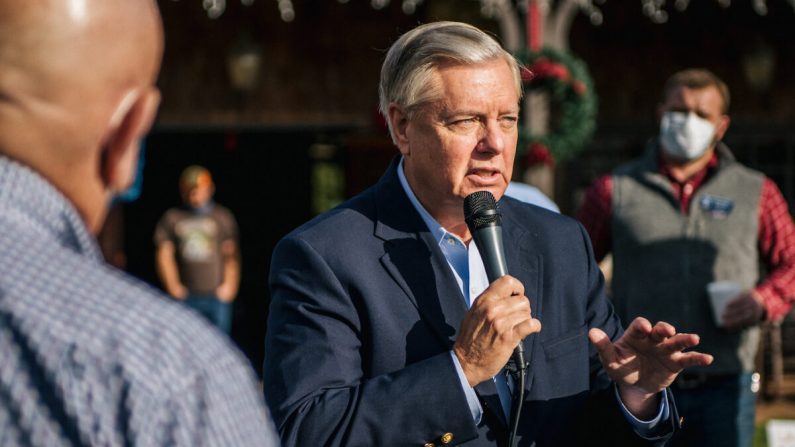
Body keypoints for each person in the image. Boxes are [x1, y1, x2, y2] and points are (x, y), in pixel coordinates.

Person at [264, 21, 712, 447]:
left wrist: (636, 395)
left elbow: (588, 420)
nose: (494, 143)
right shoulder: (324, 254)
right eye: (466, 121)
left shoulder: (560, 242)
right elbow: (309, 430)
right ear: (402, 127)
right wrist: (462, 369)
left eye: (508, 120)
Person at [0, 0, 279, 444]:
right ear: (129, 132)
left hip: (211, 296)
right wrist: (176, 291)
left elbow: (230, 250)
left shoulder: (219, 221)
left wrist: (227, 283)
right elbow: (165, 249)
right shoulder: (169, 373)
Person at [577, 68, 795, 447]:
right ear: (661, 114)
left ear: (721, 126)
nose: (687, 122)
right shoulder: (615, 190)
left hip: (726, 381)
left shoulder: (756, 190)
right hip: (640, 383)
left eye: (701, 114)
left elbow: (791, 262)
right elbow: (574, 269)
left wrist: (764, 301)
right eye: (679, 110)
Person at [155, 165, 240, 334]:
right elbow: (164, 254)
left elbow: (230, 253)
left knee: (220, 345)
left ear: (209, 189)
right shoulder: (173, 217)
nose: (194, 194)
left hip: (216, 296)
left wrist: (230, 285)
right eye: (190, 190)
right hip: (186, 296)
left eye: (198, 189)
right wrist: (173, 286)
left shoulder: (221, 216)